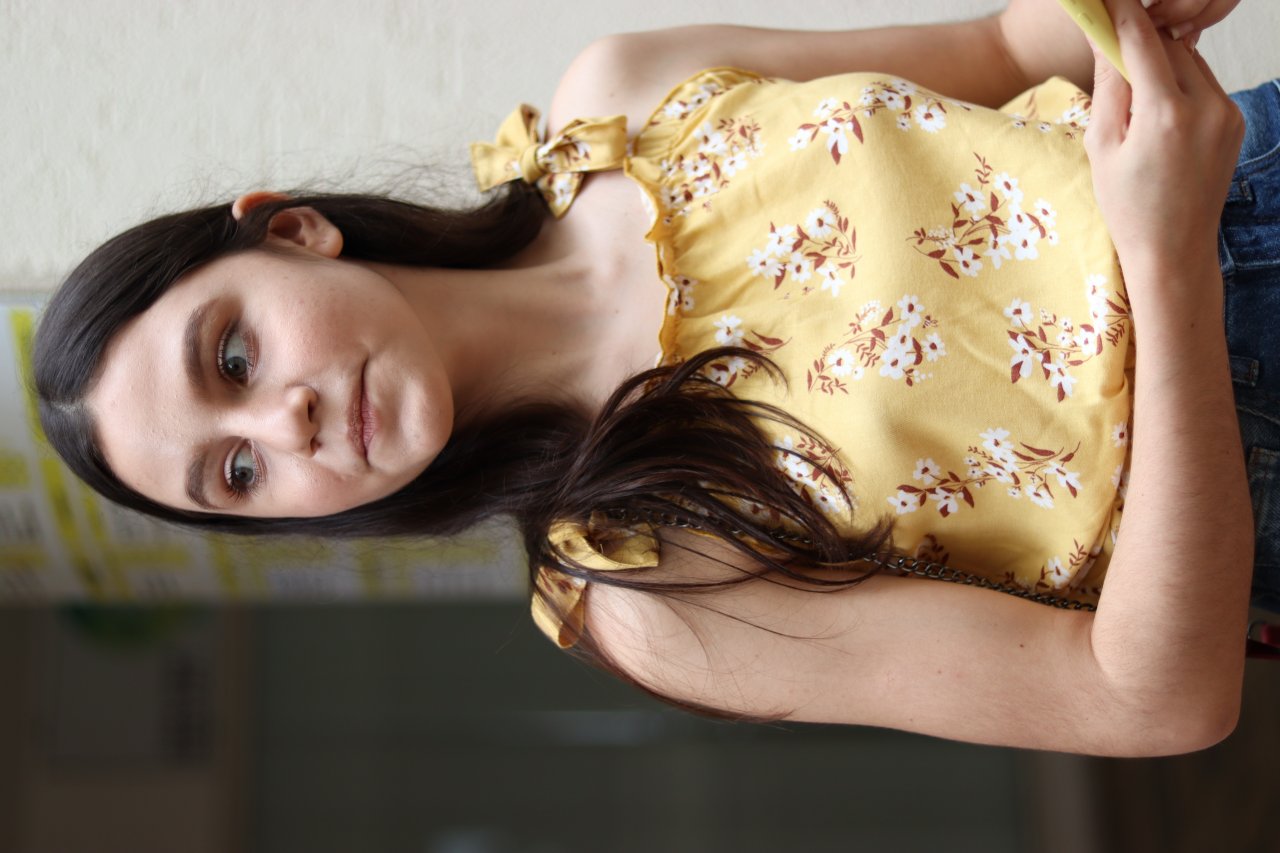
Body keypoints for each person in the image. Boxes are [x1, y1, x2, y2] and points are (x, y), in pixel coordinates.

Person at [33, 0, 1272, 754]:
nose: (286, 421)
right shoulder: (644, 592)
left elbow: (1000, 44)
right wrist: (1166, 262)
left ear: (293, 230)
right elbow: (1144, 698)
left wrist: (1123, 12)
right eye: (237, 473)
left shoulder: (619, 103)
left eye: (233, 356)